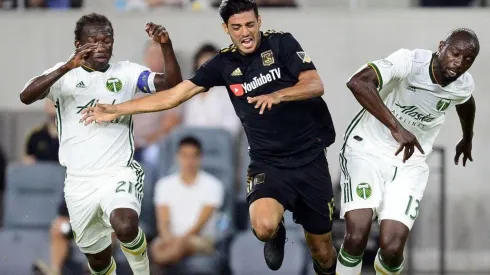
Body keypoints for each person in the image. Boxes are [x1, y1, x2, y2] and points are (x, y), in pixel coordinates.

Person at [81, 0, 338, 274]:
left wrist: (278, 95)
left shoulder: (282, 44)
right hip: (268, 162)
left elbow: (314, 84)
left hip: (309, 157)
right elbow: (174, 95)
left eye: (250, 24)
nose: (245, 32)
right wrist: (116, 110)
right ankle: (275, 232)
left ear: (259, 21)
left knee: (322, 250)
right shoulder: (224, 63)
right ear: (226, 28)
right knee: (263, 227)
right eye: (236, 27)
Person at [20, 13, 182, 275]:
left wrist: (165, 45)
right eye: (94, 41)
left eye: (107, 40)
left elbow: (171, 85)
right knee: (98, 260)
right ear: (78, 44)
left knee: (126, 224)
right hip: (79, 182)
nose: (102, 47)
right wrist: (66, 67)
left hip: (118, 170)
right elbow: (26, 96)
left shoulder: (127, 72)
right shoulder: (64, 75)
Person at [336, 28, 478, 275]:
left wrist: (467, 138)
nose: (459, 63)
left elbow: (467, 102)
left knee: (392, 250)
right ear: (441, 46)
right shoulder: (409, 62)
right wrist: (396, 128)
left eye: (468, 60)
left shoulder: (463, 84)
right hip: (366, 149)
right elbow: (358, 82)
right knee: (357, 234)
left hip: (409, 163)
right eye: (455, 53)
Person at [151, 136, 224, 269]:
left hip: (200, 238)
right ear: (177, 157)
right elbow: (163, 220)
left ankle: (157, 264)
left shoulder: (213, 185)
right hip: (170, 238)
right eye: (184, 156)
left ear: (200, 158)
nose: (189, 161)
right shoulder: (164, 184)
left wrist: (179, 241)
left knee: (177, 247)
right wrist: (168, 238)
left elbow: (200, 224)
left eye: (193, 156)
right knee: (155, 246)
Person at [23, 100, 59, 164]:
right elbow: (28, 159)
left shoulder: (70, 135)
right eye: (50, 103)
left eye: (56, 103)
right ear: (46, 107)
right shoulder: (36, 136)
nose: (54, 105)